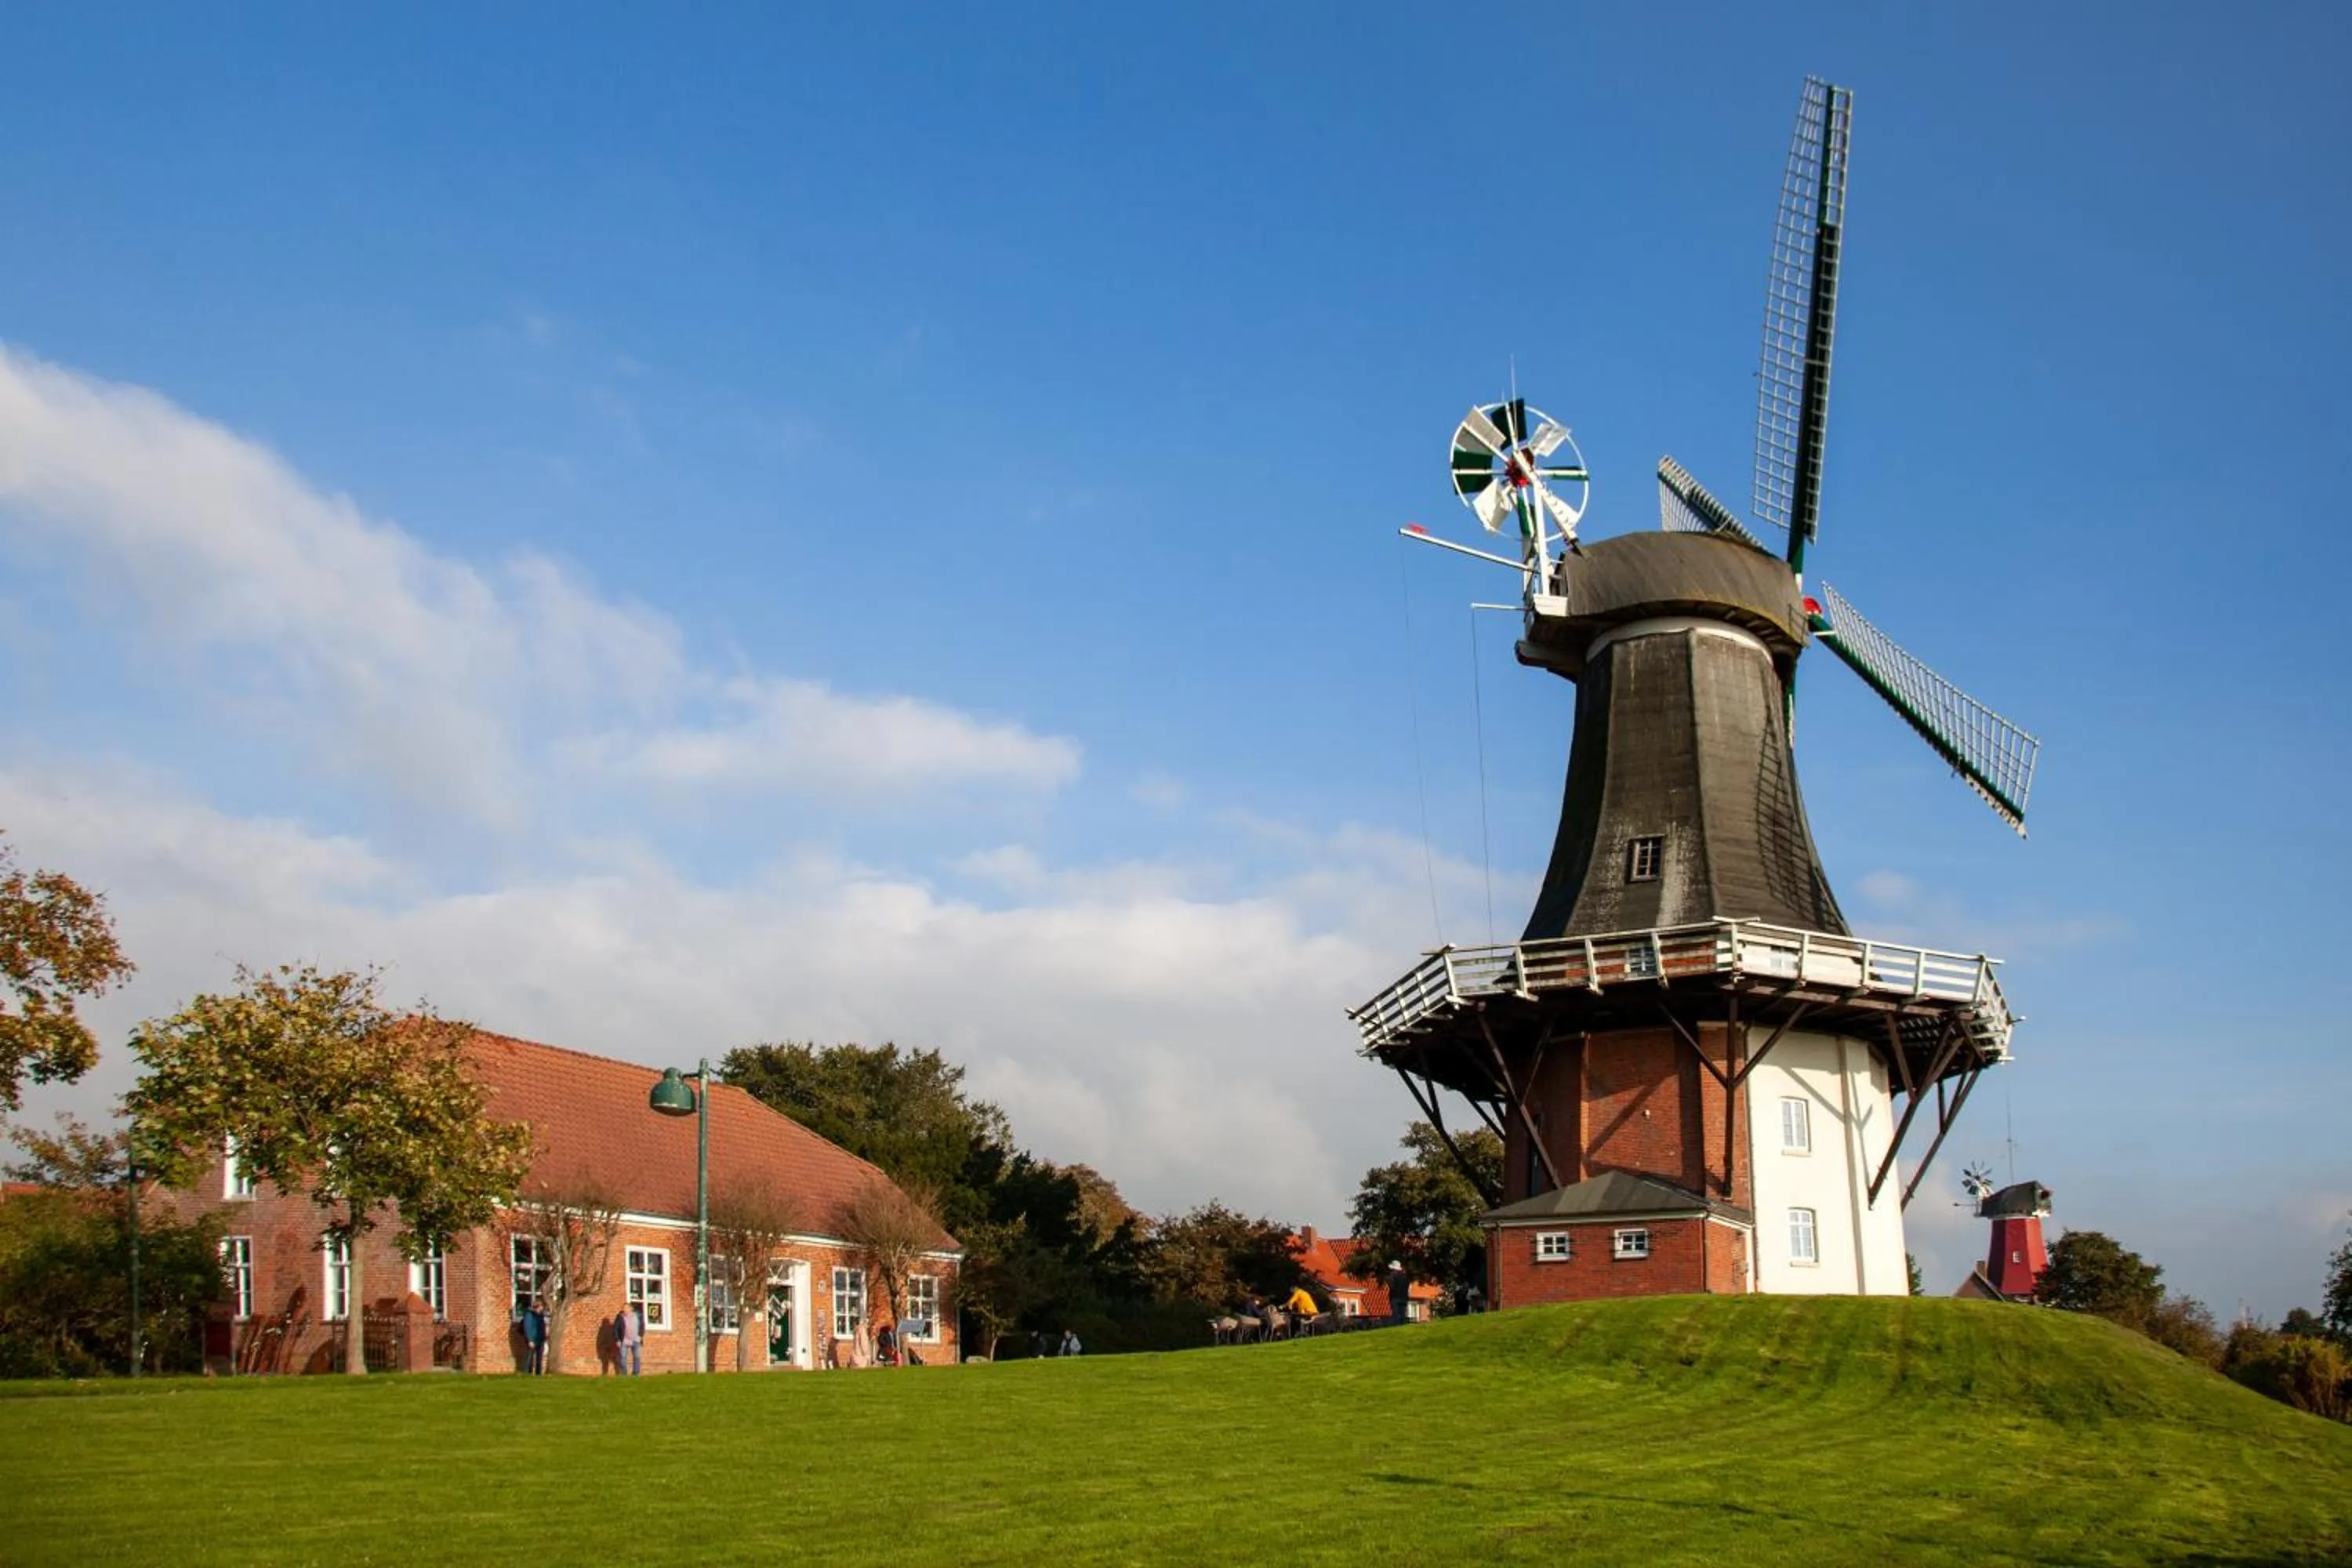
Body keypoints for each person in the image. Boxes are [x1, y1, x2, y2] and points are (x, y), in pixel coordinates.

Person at [519, 1303, 547, 1375]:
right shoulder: (529, 1315)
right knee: (530, 1357)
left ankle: (538, 1373)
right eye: (540, 1308)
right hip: (532, 1339)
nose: (541, 1310)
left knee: (539, 1358)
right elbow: (527, 1327)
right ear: (536, 1307)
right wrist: (530, 1340)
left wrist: (544, 1337)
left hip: (540, 1339)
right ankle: (528, 1372)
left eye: (542, 1308)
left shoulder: (541, 1316)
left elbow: (542, 1327)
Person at [616, 1302, 644, 1375]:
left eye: (626, 1308)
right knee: (623, 1357)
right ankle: (624, 1373)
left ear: (631, 1309)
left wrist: (640, 1336)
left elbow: (642, 1326)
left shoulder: (638, 1316)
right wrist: (617, 1340)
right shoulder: (620, 1317)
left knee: (637, 1356)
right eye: (623, 1308)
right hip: (624, 1340)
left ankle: (636, 1373)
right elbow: (616, 1329)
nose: (624, 1310)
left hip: (636, 1339)